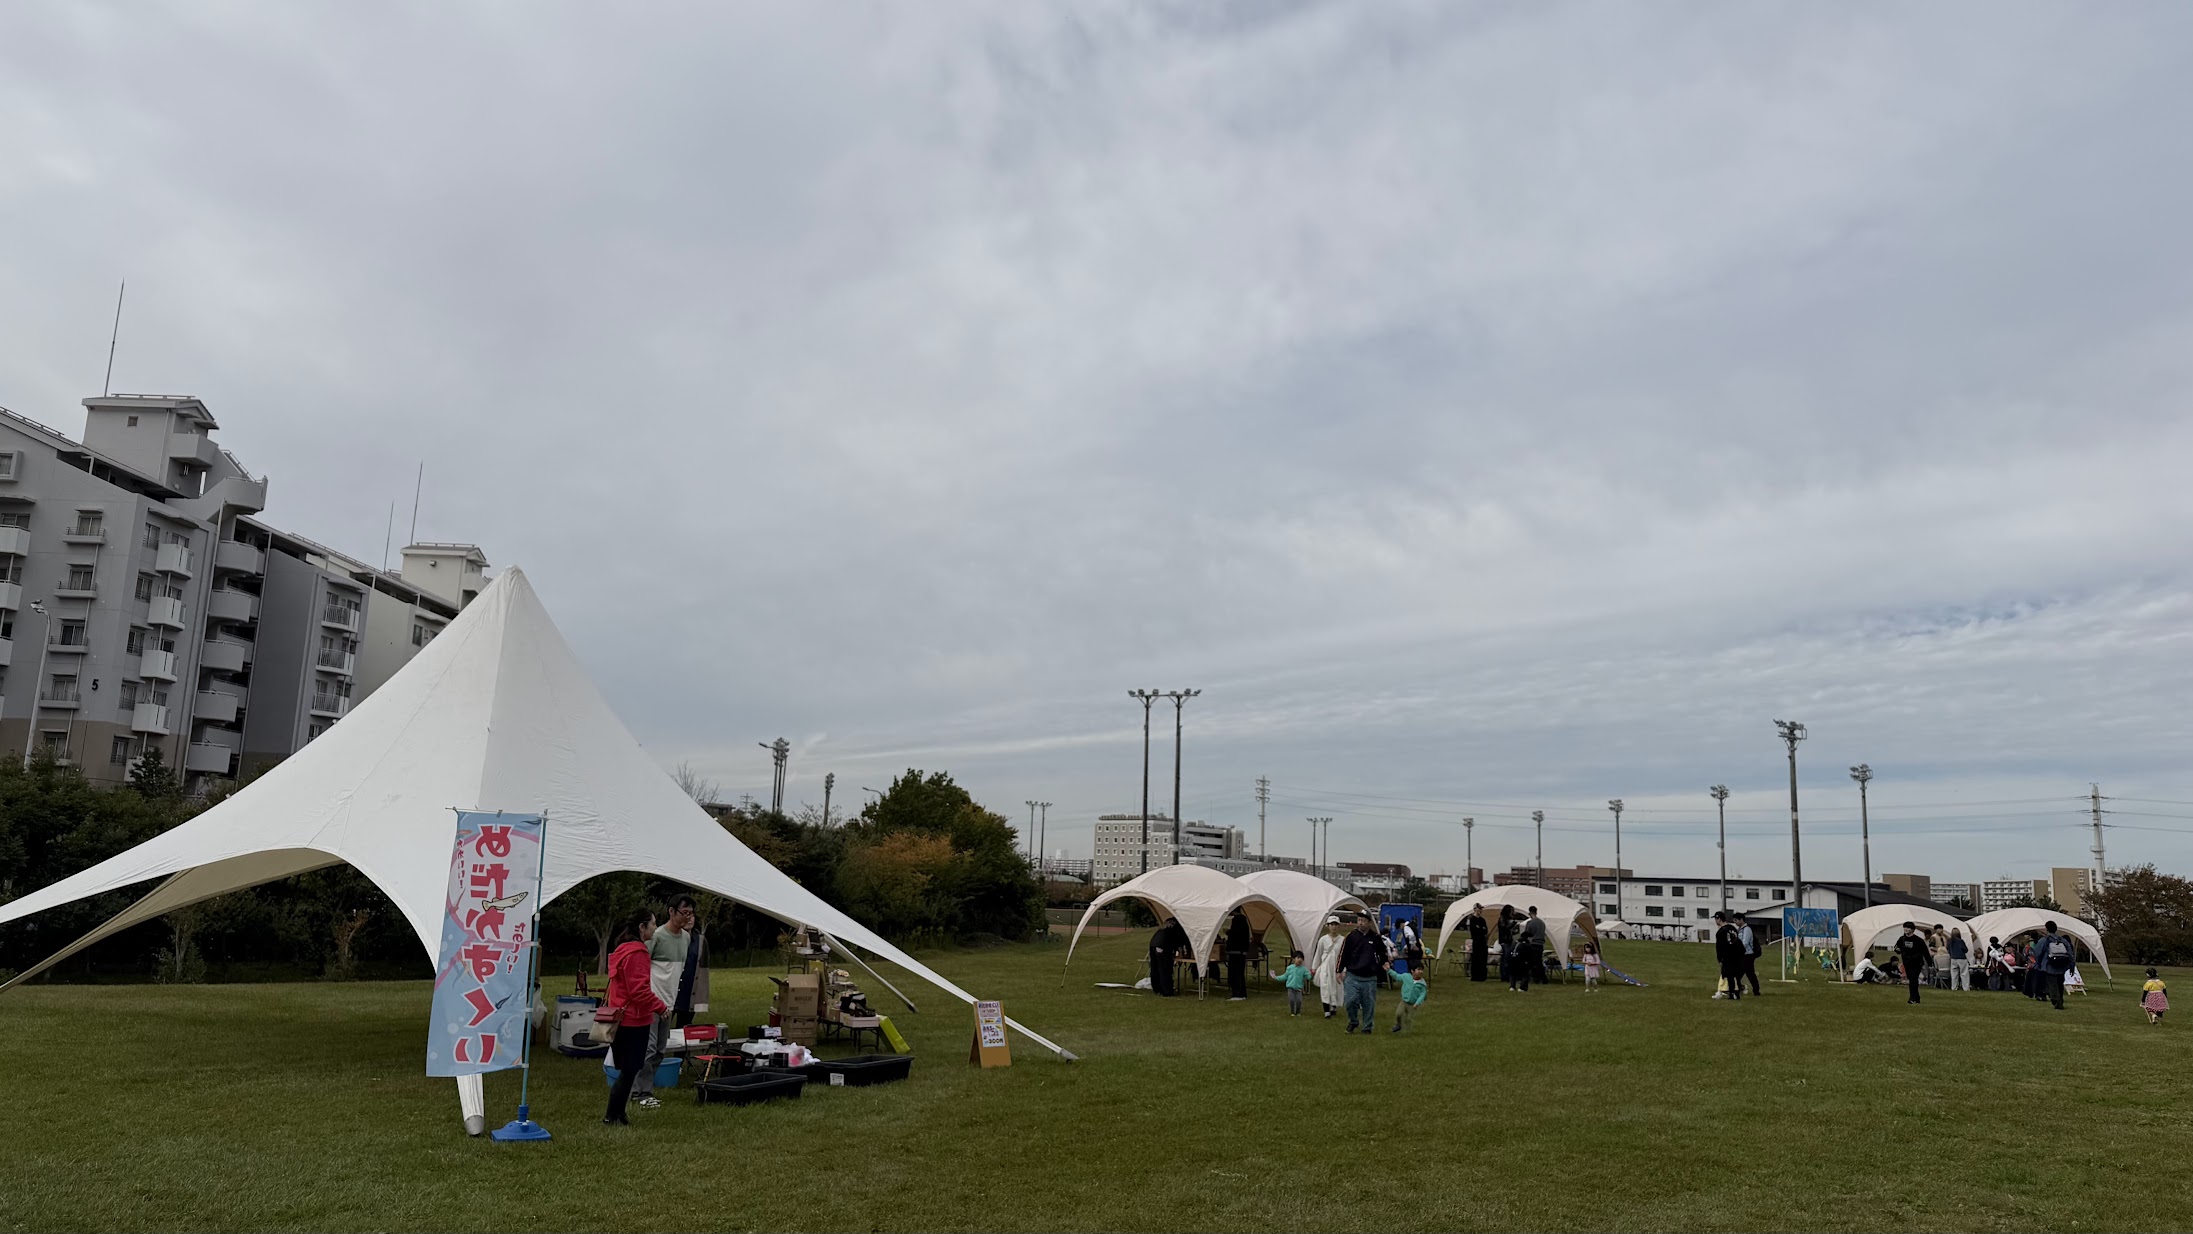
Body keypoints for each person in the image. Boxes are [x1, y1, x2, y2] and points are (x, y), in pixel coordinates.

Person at [602, 910, 669, 1126]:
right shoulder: (638, 953)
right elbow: (639, 991)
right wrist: (660, 1007)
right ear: (642, 927)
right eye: (653, 924)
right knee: (630, 1070)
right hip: (633, 1020)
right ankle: (612, 1115)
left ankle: (619, 1114)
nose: (655, 928)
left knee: (628, 1070)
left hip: (621, 1018)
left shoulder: (622, 950)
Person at [631, 896, 694, 1110]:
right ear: (672, 911)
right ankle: (639, 1093)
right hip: (651, 1001)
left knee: (659, 1050)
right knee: (648, 1048)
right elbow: (641, 968)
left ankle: (644, 1089)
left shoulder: (686, 938)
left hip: (669, 1002)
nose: (688, 917)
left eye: (690, 913)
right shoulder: (656, 936)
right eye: (684, 912)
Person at [1338, 912, 1385, 1034]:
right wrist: (1339, 970)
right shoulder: (1351, 936)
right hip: (1352, 975)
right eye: (1359, 920)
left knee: (1368, 1004)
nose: (1360, 923)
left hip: (1369, 977)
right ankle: (1353, 1021)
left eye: (1363, 921)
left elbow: (1382, 953)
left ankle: (1367, 1027)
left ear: (1369, 922)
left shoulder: (1375, 937)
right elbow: (1343, 954)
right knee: (1350, 1001)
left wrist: (1384, 964)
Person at [2029, 921, 2074, 1010]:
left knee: (2052, 984)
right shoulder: (2062, 940)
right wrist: (2071, 965)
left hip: (2049, 965)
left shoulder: (2044, 940)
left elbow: (2038, 953)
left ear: (2047, 929)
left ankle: (2055, 1000)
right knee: (2060, 984)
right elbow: (2070, 953)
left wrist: (2038, 963)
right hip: (2061, 965)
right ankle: (2060, 1001)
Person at [1310, 916, 1345, 1018]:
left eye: (1336, 924)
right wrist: (1314, 967)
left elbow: (1345, 956)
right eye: (1332, 924)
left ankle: (1334, 1007)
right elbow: (1318, 953)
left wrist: (1344, 970)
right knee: (1325, 987)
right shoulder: (1323, 939)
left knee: (1336, 987)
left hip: (1337, 967)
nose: (1334, 927)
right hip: (1326, 966)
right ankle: (1326, 1010)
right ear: (1328, 926)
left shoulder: (1342, 940)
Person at [1893, 921, 1931, 1006]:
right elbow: (1897, 948)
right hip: (1907, 963)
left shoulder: (1918, 940)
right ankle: (1916, 998)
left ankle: (1912, 998)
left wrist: (1930, 963)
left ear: (1913, 930)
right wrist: (1898, 950)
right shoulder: (1902, 939)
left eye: (1908, 927)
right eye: (1905, 927)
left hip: (1916, 963)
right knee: (1912, 980)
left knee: (1913, 979)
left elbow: (1925, 952)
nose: (1906, 929)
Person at [1148, 916, 1186, 997]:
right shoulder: (1180, 926)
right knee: (1164, 969)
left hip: (1153, 943)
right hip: (1163, 945)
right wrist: (1181, 954)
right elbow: (1179, 942)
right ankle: (1167, 991)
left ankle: (1157, 989)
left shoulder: (1169, 921)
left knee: (1155, 968)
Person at [1713, 913, 1746, 1001]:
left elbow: (1719, 947)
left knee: (1729, 975)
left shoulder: (1720, 932)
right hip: (1737, 955)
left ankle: (1732, 993)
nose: (1715, 921)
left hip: (1727, 956)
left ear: (1719, 919)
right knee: (1736, 975)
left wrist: (1719, 959)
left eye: (1716, 919)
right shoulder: (1733, 928)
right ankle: (1737, 993)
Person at [1515, 906, 1548, 993]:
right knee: (1539, 962)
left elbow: (1527, 934)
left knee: (1530, 963)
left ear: (1529, 913)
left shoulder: (1530, 923)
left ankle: (1533, 978)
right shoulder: (1542, 923)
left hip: (1533, 944)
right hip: (1540, 944)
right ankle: (1543, 979)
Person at [1391, 960, 1429, 1032]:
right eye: (1418, 969)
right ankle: (1398, 1025)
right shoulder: (1406, 977)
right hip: (1404, 1001)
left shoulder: (1422, 984)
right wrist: (1389, 970)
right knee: (1398, 1014)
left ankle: (1408, 1031)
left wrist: (1417, 1003)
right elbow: (1397, 976)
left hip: (1413, 1004)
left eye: (1422, 970)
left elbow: (1423, 994)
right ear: (1412, 971)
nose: (1421, 971)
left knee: (1409, 1018)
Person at [1272, 949, 1311, 1017]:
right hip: (1290, 988)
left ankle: (1298, 1012)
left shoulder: (1304, 969)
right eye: (1298, 958)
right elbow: (1285, 976)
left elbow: (1308, 976)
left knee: (1299, 1001)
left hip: (1299, 988)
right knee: (1292, 1000)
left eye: (1301, 958)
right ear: (1294, 959)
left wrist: (1312, 975)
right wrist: (1276, 977)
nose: (1299, 960)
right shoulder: (1290, 968)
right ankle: (1292, 1012)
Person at [1226, 909, 1251, 1001]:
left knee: (1234, 973)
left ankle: (1236, 994)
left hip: (1235, 952)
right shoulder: (1244, 921)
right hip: (1241, 953)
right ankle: (1242, 993)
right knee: (1240, 974)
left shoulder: (1237, 920)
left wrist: (1228, 933)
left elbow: (1235, 934)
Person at [1737, 915, 1762, 996]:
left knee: (1749, 974)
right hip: (1742, 955)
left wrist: (1737, 949)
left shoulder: (1747, 929)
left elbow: (1745, 942)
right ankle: (1741, 988)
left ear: (1741, 920)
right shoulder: (1739, 929)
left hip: (1748, 955)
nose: (1735, 922)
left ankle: (1755, 990)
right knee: (1743, 973)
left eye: (1736, 920)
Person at [1497, 907, 1518, 987]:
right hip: (1505, 941)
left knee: (1506, 958)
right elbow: (1505, 928)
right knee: (1506, 959)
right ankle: (1505, 976)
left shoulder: (1506, 919)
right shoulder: (1502, 919)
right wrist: (1513, 924)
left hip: (1508, 940)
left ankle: (1506, 975)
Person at [1466, 912, 1489, 983]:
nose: (1480, 910)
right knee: (1476, 959)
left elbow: (1485, 930)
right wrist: (1480, 929)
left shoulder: (1482, 920)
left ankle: (1482, 976)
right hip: (1476, 942)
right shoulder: (1472, 919)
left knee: (1483, 959)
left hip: (1483, 942)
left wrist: (1480, 929)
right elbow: (1474, 931)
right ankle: (1475, 976)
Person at [1946, 928, 1970, 992]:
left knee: (1954, 974)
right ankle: (1966, 988)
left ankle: (1954, 988)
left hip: (1953, 958)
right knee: (1964, 973)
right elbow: (1965, 950)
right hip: (1961, 958)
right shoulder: (1960, 941)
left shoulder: (1949, 941)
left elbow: (1947, 949)